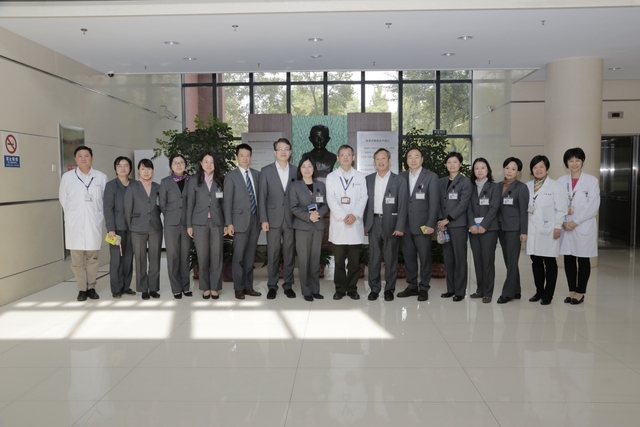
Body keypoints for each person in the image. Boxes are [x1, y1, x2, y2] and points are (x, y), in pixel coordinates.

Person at [59, 145, 108, 301]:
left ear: (92, 158)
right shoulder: (67, 177)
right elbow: (63, 200)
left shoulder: (101, 177)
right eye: (80, 156)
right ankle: (81, 288)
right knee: (77, 260)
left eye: (86, 156)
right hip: (75, 223)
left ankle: (91, 287)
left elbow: (105, 201)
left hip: (93, 222)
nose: (83, 159)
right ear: (75, 159)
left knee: (93, 259)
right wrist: (73, 215)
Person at [363, 148, 408, 301]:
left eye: (383, 158)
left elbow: (403, 205)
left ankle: (389, 289)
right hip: (373, 222)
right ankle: (374, 289)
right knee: (374, 258)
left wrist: (400, 226)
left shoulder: (399, 180)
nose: (380, 162)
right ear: (374, 162)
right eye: (377, 159)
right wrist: (365, 224)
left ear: (389, 160)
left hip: (392, 223)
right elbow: (364, 203)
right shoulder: (368, 179)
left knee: (390, 258)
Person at [397, 148, 440, 301]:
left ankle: (424, 287)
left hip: (423, 225)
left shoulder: (431, 177)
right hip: (405, 225)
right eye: (410, 157)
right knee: (408, 257)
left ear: (422, 159)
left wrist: (430, 224)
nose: (413, 160)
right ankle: (412, 286)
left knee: (424, 257)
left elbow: (434, 203)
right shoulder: (401, 177)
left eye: (416, 157)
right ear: (406, 160)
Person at [558, 147, 600, 305]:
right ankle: (572, 290)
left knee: (583, 259)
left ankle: (580, 292)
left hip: (582, 225)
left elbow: (592, 205)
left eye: (577, 160)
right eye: (570, 160)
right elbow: (557, 203)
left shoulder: (591, 181)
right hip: (566, 224)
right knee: (568, 258)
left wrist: (575, 222)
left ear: (582, 161)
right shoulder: (561, 181)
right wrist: (563, 221)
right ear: (566, 163)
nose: (574, 163)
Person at [326, 144, 368, 300]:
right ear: (338, 158)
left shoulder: (360, 176)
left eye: (348, 154)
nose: (345, 157)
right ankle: (339, 289)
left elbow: (364, 197)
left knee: (354, 263)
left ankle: (352, 289)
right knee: (338, 262)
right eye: (342, 155)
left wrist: (355, 215)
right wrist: (343, 216)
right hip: (339, 224)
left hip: (354, 224)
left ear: (353, 157)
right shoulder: (331, 177)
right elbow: (331, 199)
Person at [258, 138, 298, 299]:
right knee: (273, 254)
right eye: (280, 149)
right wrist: (263, 219)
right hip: (272, 219)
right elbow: (262, 197)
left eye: (286, 148)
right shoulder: (266, 171)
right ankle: (272, 286)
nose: (283, 151)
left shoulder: (296, 171)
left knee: (289, 254)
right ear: (275, 152)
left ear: (290, 152)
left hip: (291, 219)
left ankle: (288, 285)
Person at [525, 155, 567, 305]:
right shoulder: (527, 186)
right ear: (531, 170)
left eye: (541, 166)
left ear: (546, 168)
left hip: (549, 230)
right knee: (535, 261)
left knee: (549, 261)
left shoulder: (555, 186)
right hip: (532, 229)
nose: (538, 170)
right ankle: (539, 291)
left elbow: (562, 209)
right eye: (535, 167)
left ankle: (548, 294)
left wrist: (557, 226)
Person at [224, 143, 262, 300]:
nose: (245, 158)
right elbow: (227, 202)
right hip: (238, 221)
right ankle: (238, 288)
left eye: (247, 156)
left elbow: (261, 198)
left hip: (255, 220)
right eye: (242, 155)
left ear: (251, 157)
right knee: (238, 257)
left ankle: (248, 287)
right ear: (236, 157)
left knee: (250, 257)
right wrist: (229, 223)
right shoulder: (231, 176)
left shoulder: (257, 175)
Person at [187, 152, 226, 299]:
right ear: (201, 163)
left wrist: (227, 223)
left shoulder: (221, 179)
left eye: (212, 162)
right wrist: (189, 225)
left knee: (216, 255)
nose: (209, 165)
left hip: (217, 222)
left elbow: (225, 203)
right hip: (199, 223)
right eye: (206, 161)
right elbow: (190, 204)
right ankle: (205, 287)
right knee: (202, 256)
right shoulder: (193, 180)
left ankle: (215, 287)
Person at [289, 155, 329, 301]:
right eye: (304, 166)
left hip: (318, 226)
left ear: (314, 169)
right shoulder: (295, 186)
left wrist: (318, 214)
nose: (307, 169)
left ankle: (315, 290)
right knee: (303, 260)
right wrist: (308, 216)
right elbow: (293, 207)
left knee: (315, 259)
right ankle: (306, 291)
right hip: (302, 227)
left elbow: (325, 204)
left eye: (309, 166)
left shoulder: (320, 185)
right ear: (300, 169)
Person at [124, 159, 162, 300]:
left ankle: (153, 288)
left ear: (152, 170)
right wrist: (131, 227)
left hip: (155, 227)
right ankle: (143, 288)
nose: (146, 172)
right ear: (138, 171)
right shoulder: (132, 187)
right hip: (137, 228)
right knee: (140, 259)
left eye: (149, 169)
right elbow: (127, 209)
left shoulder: (158, 187)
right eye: (143, 169)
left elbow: (162, 206)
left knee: (155, 258)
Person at [437, 152, 472, 302]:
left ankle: (460, 291)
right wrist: (440, 220)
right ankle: (450, 289)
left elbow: (463, 204)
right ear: (446, 164)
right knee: (448, 259)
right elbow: (438, 201)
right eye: (449, 162)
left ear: (460, 164)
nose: (452, 165)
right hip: (444, 226)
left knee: (459, 259)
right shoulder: (441, 182)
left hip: (458, 225)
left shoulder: (465, 182)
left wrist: (448, 219)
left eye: (455, 162)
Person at [467, 158, 501, 303]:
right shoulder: (470, 187)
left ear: (488, 170)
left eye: (483, 167)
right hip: (473, 229)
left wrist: (484, 225)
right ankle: (480, 290)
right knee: (477, 260)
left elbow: (494, 208)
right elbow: (467, 207)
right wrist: (471, 225)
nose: (480, 170)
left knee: (487, 261)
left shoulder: (494, 187)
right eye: (476, 168)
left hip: (489, 230)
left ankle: (488, 292)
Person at [159, 154, 193, 299]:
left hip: (187, 223)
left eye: (181, 162)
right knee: (173, 256)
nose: (178, 165)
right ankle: (176, 288)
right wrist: (170, 215)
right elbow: (162, 204)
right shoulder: (165, 182)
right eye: (175, 162)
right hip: (171, 224)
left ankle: (186, 286)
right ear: (171, 166)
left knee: (185, 255)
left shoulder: (191, 181)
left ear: (185, 164)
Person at [496, 157, 529, 304]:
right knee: (509, 261)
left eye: (513, 169)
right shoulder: (497, 186)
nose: (509, 171)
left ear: (518, 172)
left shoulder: (521, 188)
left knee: (512, 261)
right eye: (507, 168)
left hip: (514, 229)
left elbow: (524, 211)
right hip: (500, 227)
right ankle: (516, 290)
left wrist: (523, 231)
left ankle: (507, 293)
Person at [103, 156, 136, 299]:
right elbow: (108, 209)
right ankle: (116, 289)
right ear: (115, 168)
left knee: (128, 259)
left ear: (130, 168)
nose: (123, 168)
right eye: (119, 165)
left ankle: (126, 286)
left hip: (133, 228)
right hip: (116, 229)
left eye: (126, 165)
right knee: (116, 260)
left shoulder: (135, 184)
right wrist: (111, 229)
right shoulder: (111, 186)